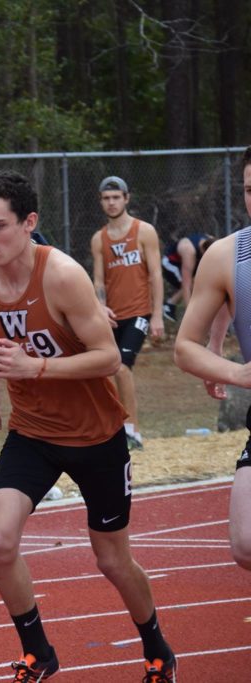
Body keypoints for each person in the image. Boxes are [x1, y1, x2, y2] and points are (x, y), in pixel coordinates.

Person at [0, 170, 176, 682]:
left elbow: (108, 358)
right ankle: (39, 653)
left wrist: (37, 367)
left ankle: (157, 648)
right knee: (0, 541)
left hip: (96, 436)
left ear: (29, 222)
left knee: (112, 561)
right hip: (32, 433)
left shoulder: (61, 276)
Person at [174, 144, 251, 572]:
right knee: (245, 545)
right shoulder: (226, 255)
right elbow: (185, 346)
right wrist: (234, 369)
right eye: (249, 190)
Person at [89, 175, 165, 450]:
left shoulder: (143, 231)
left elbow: (155, 274)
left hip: (139, 313)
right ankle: (114, 429)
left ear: (126, 198)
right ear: (101, 202)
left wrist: (157, 315)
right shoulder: (99, 239)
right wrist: (100, 306)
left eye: (116, 197)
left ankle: (133, 430)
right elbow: (99, 280)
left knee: (122, 367)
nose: (111, 203)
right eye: (106, 198)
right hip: (112, 316)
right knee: (107, 370)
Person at [162, 230, 216, 322]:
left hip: (185, 262)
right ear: (203, 251)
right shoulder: (189, 252)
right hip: (170, 264)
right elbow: (186, 285)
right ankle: (177, 309)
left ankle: (170, 304)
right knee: (192, 285)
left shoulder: (212, 241)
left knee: (200, 282)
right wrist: (190, 315)